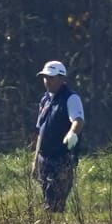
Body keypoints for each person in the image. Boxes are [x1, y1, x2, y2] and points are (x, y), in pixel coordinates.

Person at [33, 60, 85, 212]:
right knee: (47, 198)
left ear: (62, 78)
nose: (47, 81)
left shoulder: (71, 98)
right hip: (44, 157)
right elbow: (40, 130)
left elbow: (78, 120)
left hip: (61, 157)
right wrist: (35, 159)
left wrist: (72, 133)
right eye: (45, 77)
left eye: (51, 77)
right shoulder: (45, 100)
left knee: (56, 202)